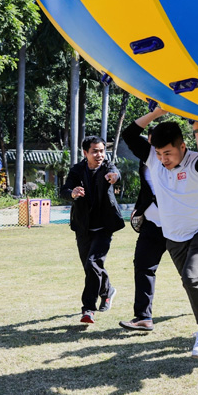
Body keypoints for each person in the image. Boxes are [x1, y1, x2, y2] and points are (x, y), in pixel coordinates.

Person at [121, 106, 198, 359]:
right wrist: (156, 113)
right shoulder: (153, 158)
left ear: (182, 147)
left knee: (191, 278)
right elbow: (130, 135)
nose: (163, 159)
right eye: (159, 153)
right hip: (174, 237)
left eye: (168, 153)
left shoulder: (194, 161)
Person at [61, 136, 125, 324]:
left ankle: (88, 309)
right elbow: (64, 190)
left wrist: (115, 177)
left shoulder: (107, 167)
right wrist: (72, 193)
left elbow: (115, 173)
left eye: (101, 151)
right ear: (85, 153)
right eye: (95, 151)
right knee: (91, 267)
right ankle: (107, 290)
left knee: (93, 263)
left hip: (105, 226)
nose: (99, 155)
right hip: (83, 226)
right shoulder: (77, 170)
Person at [120, 127, 167, 332]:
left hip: (178, 225)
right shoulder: (146, 159)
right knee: (143, 266)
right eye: (150, 141)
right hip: (151, 224)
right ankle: (143, 317)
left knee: (192, 275)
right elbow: (147, 188)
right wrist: (140, 208)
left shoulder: (182, 160)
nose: (153, 147)